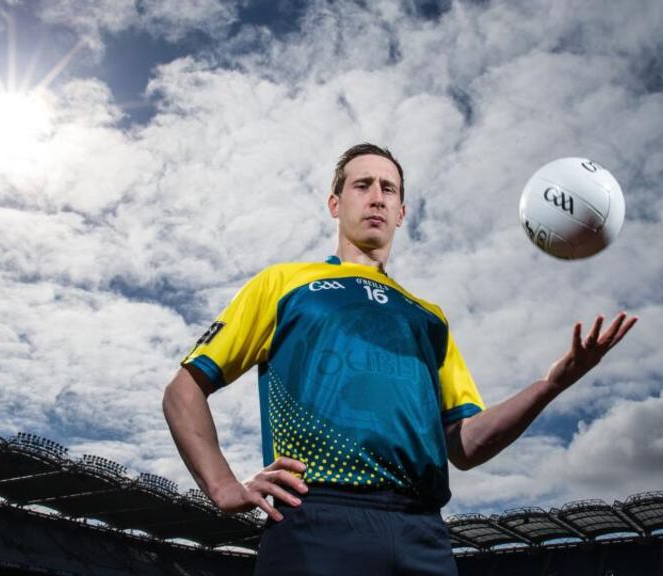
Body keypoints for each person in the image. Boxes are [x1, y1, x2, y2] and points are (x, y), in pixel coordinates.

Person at [162, 143, 637, 575]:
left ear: (402, 211)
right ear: (335, 203)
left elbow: (465, 445)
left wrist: (549, 386)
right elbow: (184, 391)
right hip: (316, 518)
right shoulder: (284, 283)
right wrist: (222, 485)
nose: (376, 197)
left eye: (388, 188)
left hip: (422, 532)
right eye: (362, 185)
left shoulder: (429, 318)